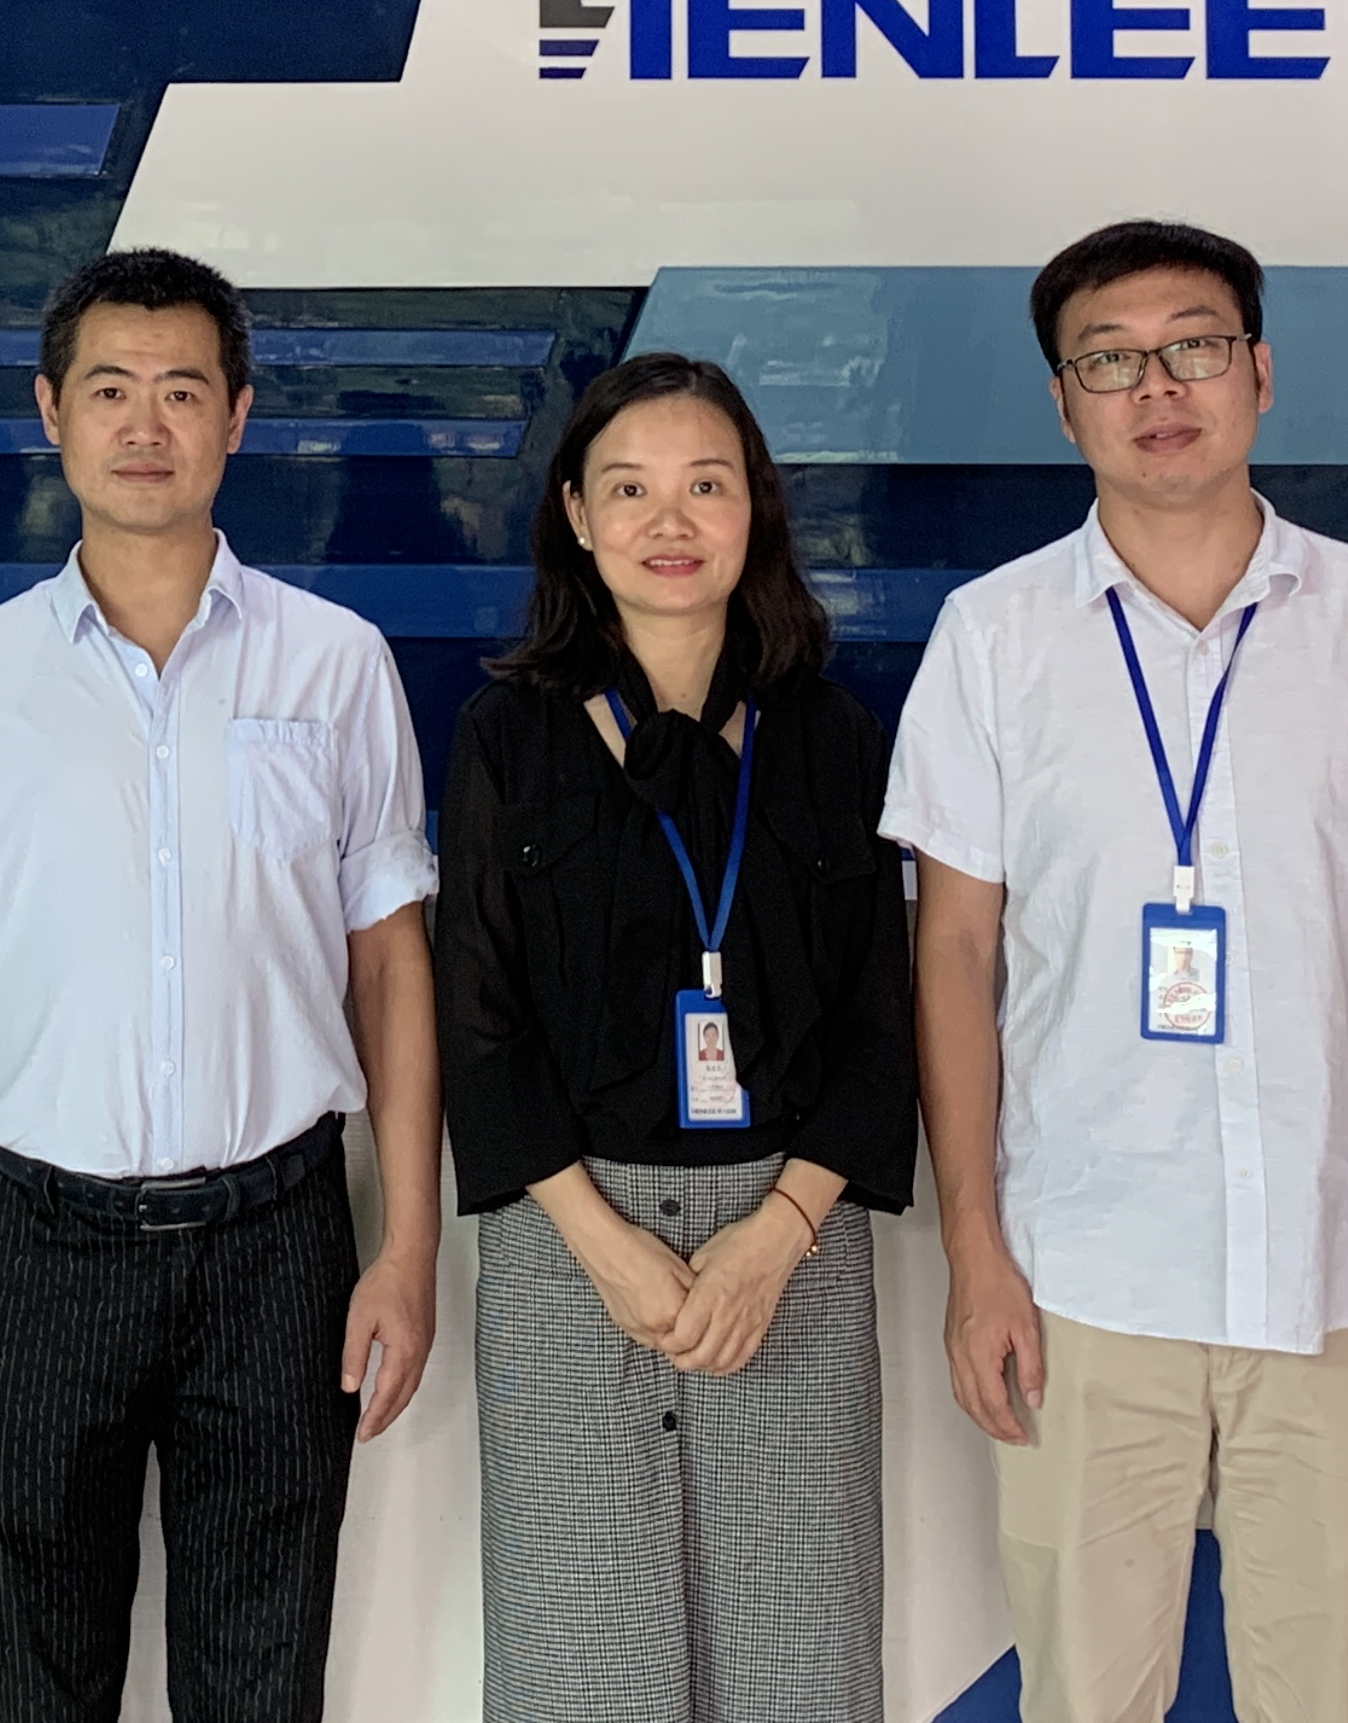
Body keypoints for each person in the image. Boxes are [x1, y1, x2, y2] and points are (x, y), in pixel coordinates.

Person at [884, 219, 1348, 1723]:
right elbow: (956, 952)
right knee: (1085, 1699)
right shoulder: (992, 640)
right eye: (1108, 362)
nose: (1156, 388)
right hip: (1081, 1281)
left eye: (1192, 346)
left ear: (1258, 371)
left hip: (1341, 1267)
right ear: (1063, 406)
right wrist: (975, 1250)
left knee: (1323, 1698)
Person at [0, 247, 443, 1723]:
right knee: (33, 1689)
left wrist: (408, 1246)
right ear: (50, 412)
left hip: (278, 1241)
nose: (144, 424)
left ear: (237, 417)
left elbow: (390, 966)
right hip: (31, 1248)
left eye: (182, 391)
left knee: (261, 1686)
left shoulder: (335, 665)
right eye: (110, 388)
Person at [435, 352, 917, 1723]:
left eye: (706, 486)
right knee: (581, 1669)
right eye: (630, 488)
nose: (669, 521)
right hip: (568, 1246)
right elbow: (478, 1020)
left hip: (792, 1246)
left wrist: (777, 1237)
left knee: (799, 1667)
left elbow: (880, 1019)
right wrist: (603, 1243)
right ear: (576, 516)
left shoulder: (830, 736)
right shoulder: (507, 735)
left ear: (755, 507)